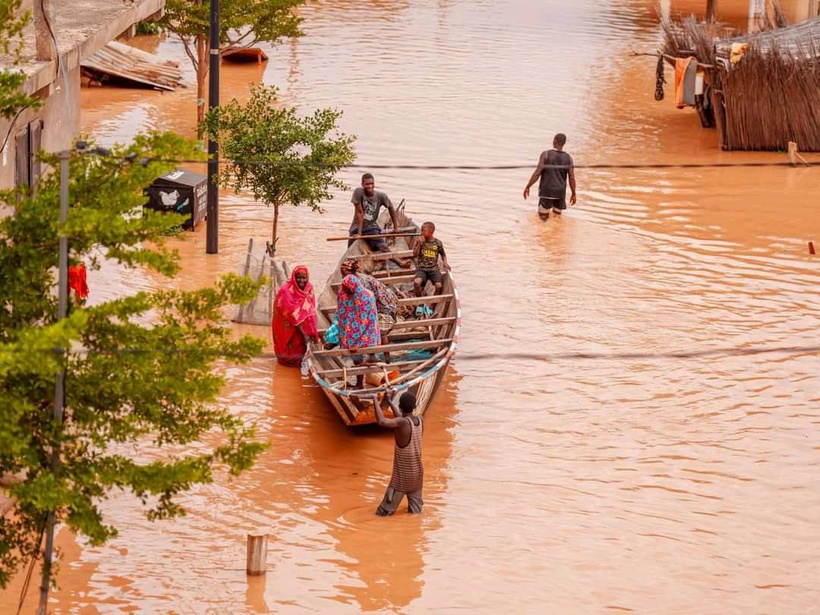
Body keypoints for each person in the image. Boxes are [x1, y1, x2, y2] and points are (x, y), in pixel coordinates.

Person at [374, 389, 424, 516]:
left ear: (400, 407)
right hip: (417, 476)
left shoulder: (402, 423)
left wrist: (374, 400)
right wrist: (390, 402)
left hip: (402, 478)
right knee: (415, 515)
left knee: (382, 515)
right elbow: (402, 419)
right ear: (415, 407)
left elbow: (382, 421)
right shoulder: (420, 421)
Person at [348, 173, 410, 268]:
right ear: (362, 184)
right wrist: (359, 234)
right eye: (367, 184)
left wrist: (396, 226)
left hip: (371, 227)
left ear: (374, 184)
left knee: (383, 246)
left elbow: (391, 208)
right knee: (350, 255)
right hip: (357, 228)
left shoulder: (380, 196)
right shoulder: (358, 192)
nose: (370, 186)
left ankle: (400, 263)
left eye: (371, 183)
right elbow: (359, 213)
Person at [336, 274, 382, 389]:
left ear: (353, 288)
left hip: (367, 330)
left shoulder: (366, 297)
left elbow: (367, 322)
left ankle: (360, 383)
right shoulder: (343, 294)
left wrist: (358, 343)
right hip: (350, 328)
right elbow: (341, 315)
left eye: (347, 289)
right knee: (355, 356)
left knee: (358, 355)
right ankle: (360, 380)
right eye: (344, 289)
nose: (344, 291)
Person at [523, 133, 577, 220]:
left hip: (547, 192)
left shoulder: (545, 154)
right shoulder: (569, 158)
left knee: (543, 219)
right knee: (557, 219)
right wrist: (573, 193)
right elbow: (572, 178)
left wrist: (528, 186)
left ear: (554, 141)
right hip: (560, 193)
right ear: (563, 143)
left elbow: (537, 173)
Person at [271, 265, 318, 367]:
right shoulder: (286, 291)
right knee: (288, 350)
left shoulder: (309, 288)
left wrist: (311, 332)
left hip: (302, 326)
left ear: (307, 277)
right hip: (287, 325)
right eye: (298, 277)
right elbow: (292, 315)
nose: (301, 281)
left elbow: (310, 311)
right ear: (294, 277)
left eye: (303, 277)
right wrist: (304, 334)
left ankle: (297, 367)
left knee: (299, 349)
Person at [412, 221, 450, 299]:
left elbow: (443, 254)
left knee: (439, 286)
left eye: (423, 230)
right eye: (421, 230)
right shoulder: (420, 241)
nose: (421, 232)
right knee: (416, 283)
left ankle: (432, 306)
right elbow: (415, 255)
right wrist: (419, 243)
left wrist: (445, 262)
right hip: (421, 268)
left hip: (433, 269)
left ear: (431, 232)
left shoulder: (438, 243)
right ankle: (420, 302)